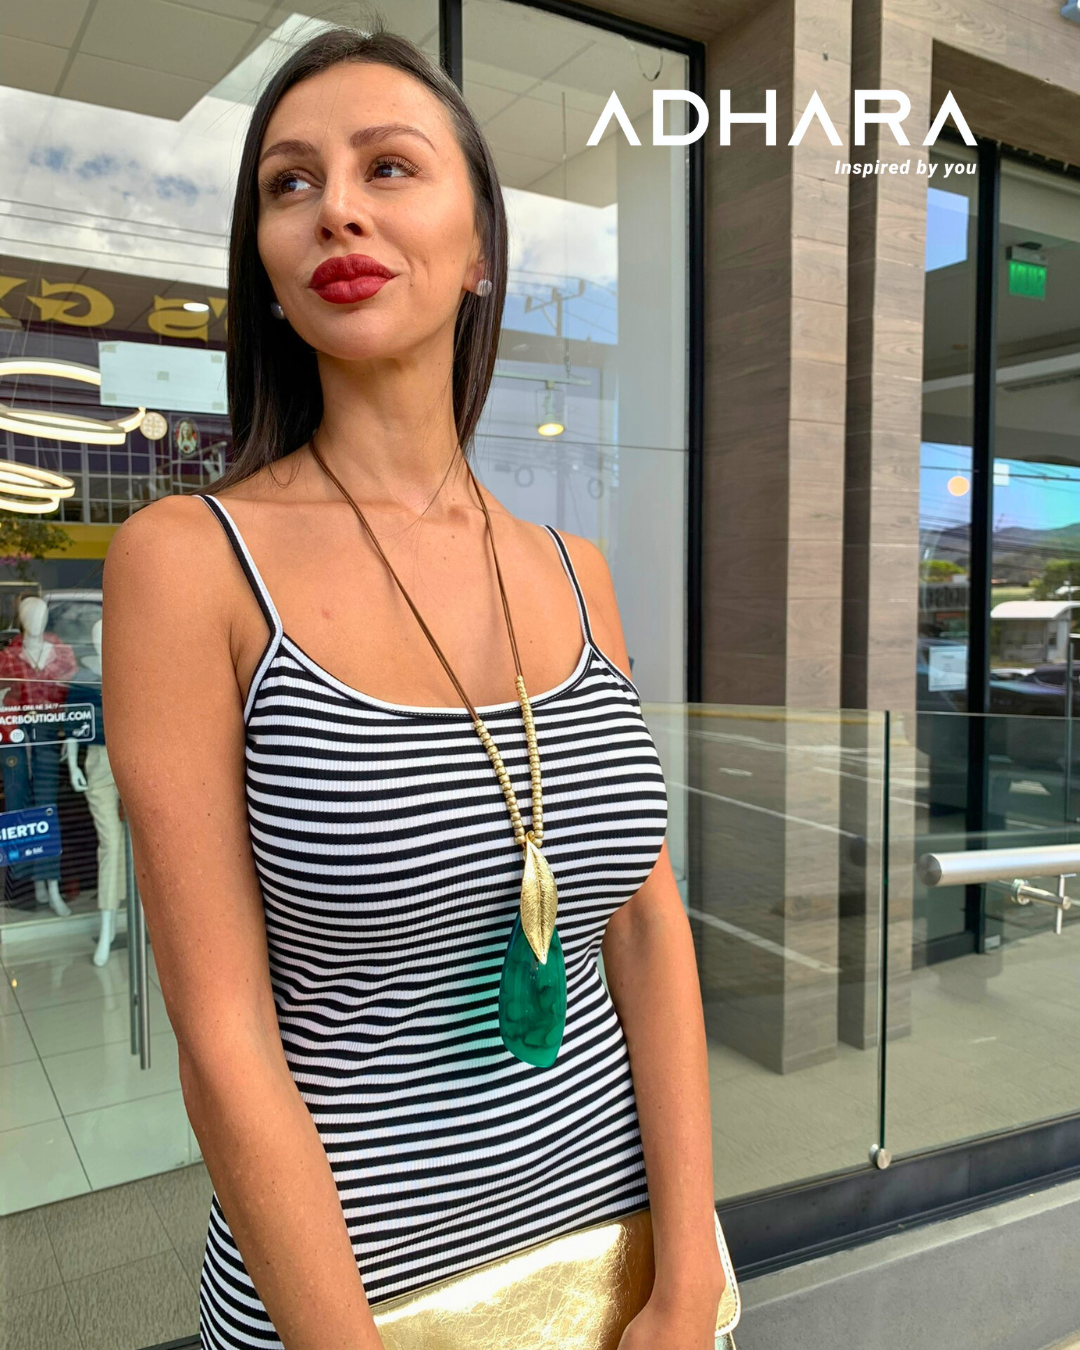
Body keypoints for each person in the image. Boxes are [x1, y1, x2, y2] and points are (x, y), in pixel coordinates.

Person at [102, 24, 723, 1350]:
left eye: (388, 166)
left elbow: (644, 930)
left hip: (620, 1261)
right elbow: (223, 1037)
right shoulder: (189, 565)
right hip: (357, 1301)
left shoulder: (577, 571)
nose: (336, 207)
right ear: (268, 268)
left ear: (481, 246)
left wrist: (685, 1278)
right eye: (290, 182)